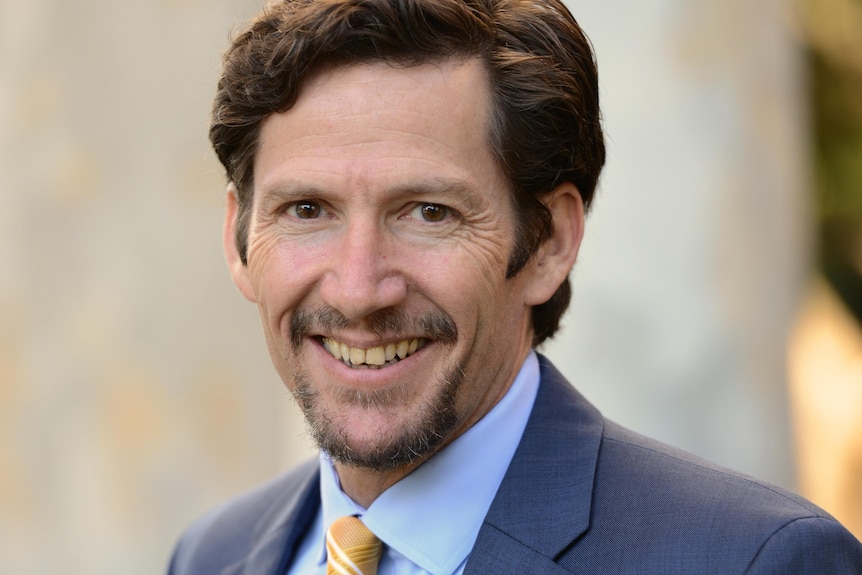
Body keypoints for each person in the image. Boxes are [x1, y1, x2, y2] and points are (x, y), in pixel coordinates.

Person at [168, 0, 862, 573]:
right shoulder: (212, 555)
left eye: (429, 212)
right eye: (307, 210)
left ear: (550, 242)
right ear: (240, 236)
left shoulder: (756, 561)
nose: (357, 290)